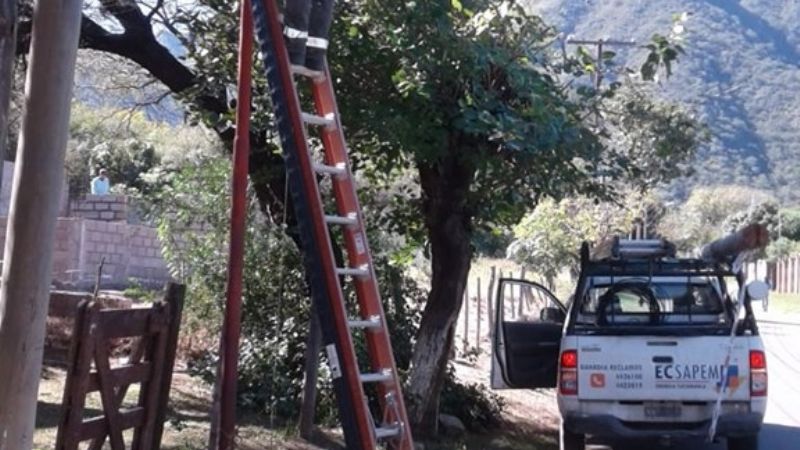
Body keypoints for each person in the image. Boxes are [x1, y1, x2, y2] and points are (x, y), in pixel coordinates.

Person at [284, 0, 335, 73]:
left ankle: (295, 55)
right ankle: (313, 61)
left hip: (293, 49)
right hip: (314, 54)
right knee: (321, 6)